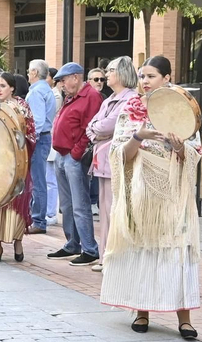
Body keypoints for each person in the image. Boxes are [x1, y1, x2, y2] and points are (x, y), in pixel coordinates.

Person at [100, 57, 202, 339]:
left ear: (167, 78)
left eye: (152, 75)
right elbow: (119, 155)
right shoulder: (130, 111)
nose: (144, 81)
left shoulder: (182, 108)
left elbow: (193, 153)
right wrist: (138, 137)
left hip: (171, 195)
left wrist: (181, 149)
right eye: (142, 76)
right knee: (142, 249)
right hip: (141, 193)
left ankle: (185, 318)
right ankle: (141, 311)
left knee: (177, 249)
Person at [47, 62, 103, 266]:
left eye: (63, 80)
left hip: (72, 156)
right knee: (68, 205)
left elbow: (90, 128)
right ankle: (72, 243)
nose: (61, 84)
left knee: (79, 204)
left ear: (75, 78)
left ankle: (89, 248)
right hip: (64, 154)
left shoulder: (90, 96)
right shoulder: (73, 97)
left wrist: (76, 153)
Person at [0, 73, 37, 263]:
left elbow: (31, 133)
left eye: (2, 85)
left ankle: (18, 242)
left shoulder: (22, 106)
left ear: (12, 87)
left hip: (17, 159)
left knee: (18, 201)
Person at [87, 58, 139, 272]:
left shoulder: (130, 99)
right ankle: (105, 255)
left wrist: (97, 130)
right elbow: (94, 125)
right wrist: (96, 131)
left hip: (117, 160)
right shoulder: (110, 99)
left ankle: (113, 256)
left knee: (114, 209)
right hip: (102, 160)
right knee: (105, 211)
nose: (107, 74)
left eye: (110, 71)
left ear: (123, 73)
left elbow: (109, 125)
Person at [24, 61, 57, 235]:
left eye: (29, 71)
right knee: (38, 180)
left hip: (39, 139)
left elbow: (37, 121)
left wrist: (30, 141)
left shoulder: (37, 91)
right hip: (43, 138)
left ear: (35, 72)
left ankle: (38, 220)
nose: (28, 74)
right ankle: (37, 218)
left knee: (38, 181)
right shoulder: (45, 90)